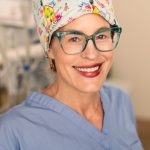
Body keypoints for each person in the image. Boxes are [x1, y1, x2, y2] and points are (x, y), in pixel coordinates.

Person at [0, 0, 143, 149]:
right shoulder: (13, 132)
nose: (92, 54)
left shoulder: (120, 102)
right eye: (74, 39)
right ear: (49, 49)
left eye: (101, 36)